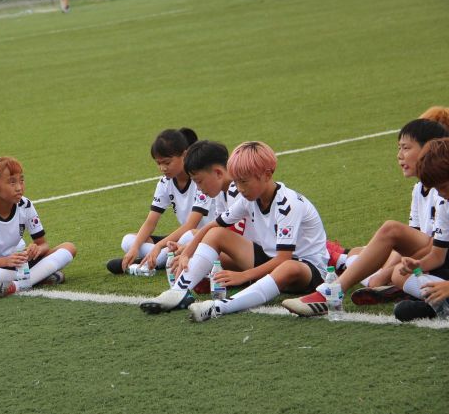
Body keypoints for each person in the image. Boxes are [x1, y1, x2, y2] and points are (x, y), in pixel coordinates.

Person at [140, 141, 329, 320]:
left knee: (289, 267)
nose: (240, 188)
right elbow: (212, 226)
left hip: (307, 270)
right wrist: (187, 253)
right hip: (269, 260)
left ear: (266, 174)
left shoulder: (288, 204)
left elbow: (283, 259)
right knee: (216, 234)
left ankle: (219, 307)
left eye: (244, 182)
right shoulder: (248, 198)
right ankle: (178, 292)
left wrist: (243, 276)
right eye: (236, 182)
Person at [282, 118, 449, 317]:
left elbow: (431, 247)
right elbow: (429, 248)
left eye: (406, 148)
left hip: (441, 262)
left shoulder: (440, 193)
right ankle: (420, 297)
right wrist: (397, 270)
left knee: (391, 232)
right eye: (399, 148)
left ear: (429, 149)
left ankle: (331, 293)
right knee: (375, 264)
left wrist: (386, 273)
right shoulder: (430, 192)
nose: (399, 155)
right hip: (437, 260)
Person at [0, 156, 76, 296]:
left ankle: (16, 286)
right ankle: (38, 278)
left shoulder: (25, 205)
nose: (19, 187)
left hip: (21, 264)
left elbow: (43, 245)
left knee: (69, 247)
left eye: (21, 180)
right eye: (12, 182)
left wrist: (36, 249)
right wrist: (6, 261)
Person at [105, 128, 212, 276]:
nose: (163, 168)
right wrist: (134, 248)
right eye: (159, 163)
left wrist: (159, 246)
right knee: (128, 241)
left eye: (167, 162)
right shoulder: (165, 182)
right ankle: (160, 258)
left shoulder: (199, 179)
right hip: (180, 241)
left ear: (184, 155)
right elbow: (151, 222)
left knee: (188, 236)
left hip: (202, 236)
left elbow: (190, 225)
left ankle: (147, 262)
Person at [391, 137, 449, 321]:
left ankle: (435, 304)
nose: (440, 194)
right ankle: (437, 303)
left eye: (443, 186)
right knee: (399, 276)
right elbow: (438, 255)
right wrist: (419, 265)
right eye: (436, 189)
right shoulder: (445, 202)